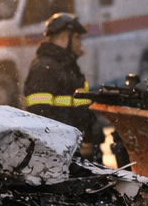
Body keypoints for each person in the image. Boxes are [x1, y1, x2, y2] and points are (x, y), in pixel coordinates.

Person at [23, 12, 102, 158]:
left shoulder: (69, 68)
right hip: (62, 156)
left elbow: (80, 110)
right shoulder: (44, 69)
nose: (81, 43)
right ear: (64, 39)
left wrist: (92, 134)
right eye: (77, 38)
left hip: (78, 153)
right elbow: (40, 117)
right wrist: (72, 143)